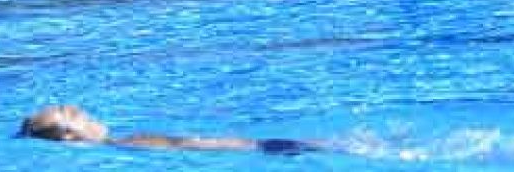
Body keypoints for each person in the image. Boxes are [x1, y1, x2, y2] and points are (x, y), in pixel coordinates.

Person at [18, 105, 321, 156]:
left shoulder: (125, 144)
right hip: (257, 149)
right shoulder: (131, 143)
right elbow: (191, 145)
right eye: (76, 115)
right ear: (70, 137)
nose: (86, 113)